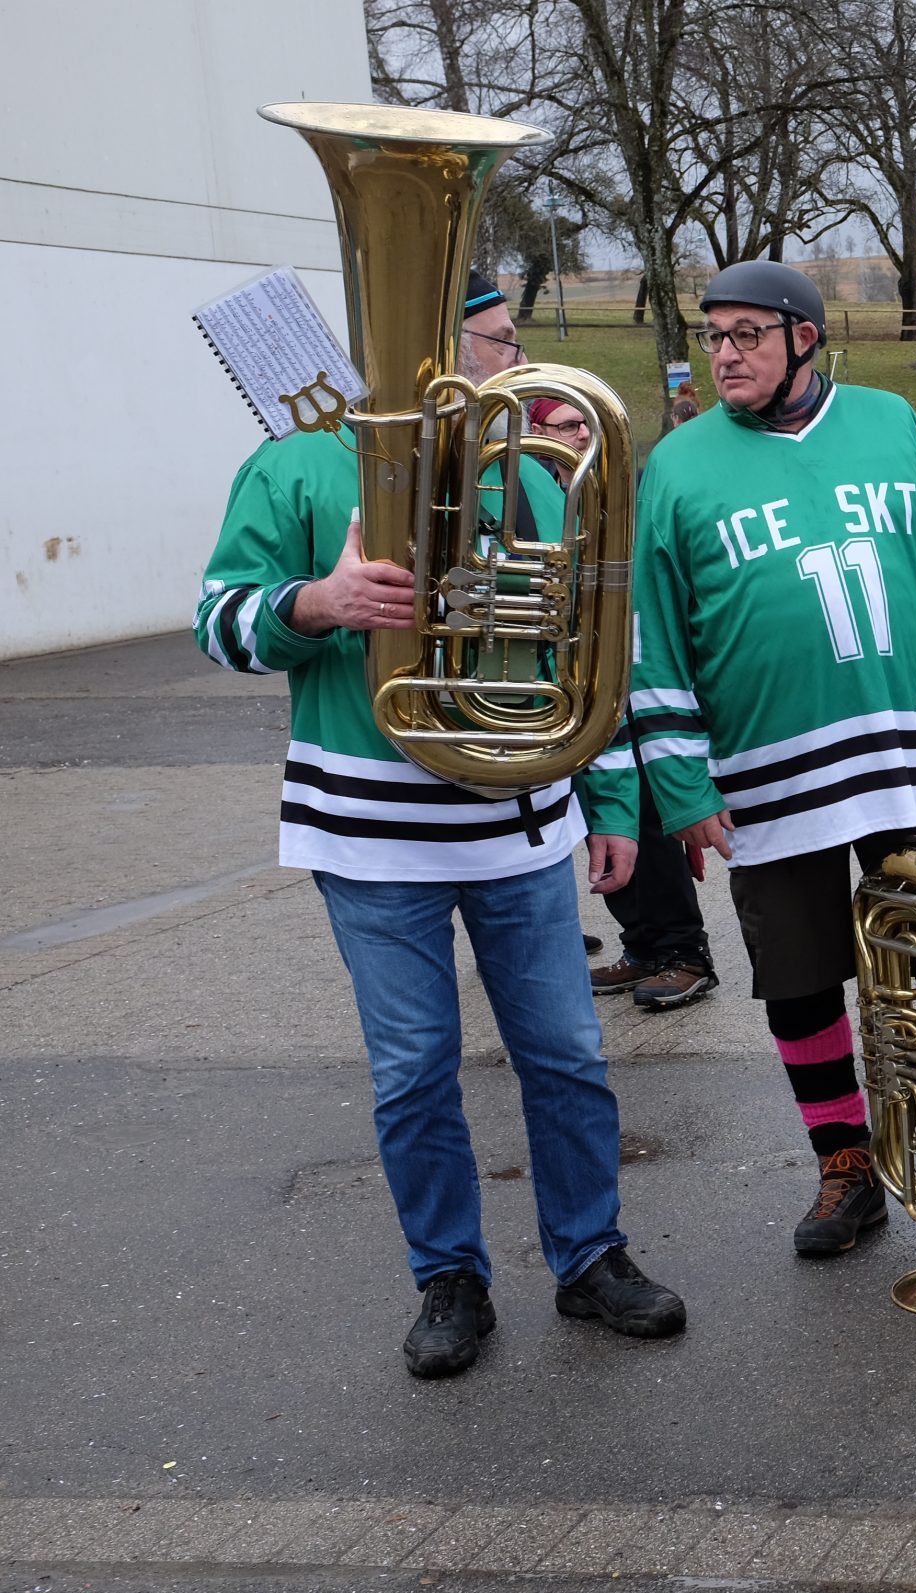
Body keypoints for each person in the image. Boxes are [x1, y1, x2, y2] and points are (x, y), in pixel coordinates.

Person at [192, 270, 685, 1379]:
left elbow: (592, 651)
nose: (516, 362)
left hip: (519, 822)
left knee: (566, 1054)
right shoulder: (297, 464)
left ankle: (590, 1256)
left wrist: (610, 800)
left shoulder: (539, 473)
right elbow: (216, 621)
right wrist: (317, 604)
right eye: (498, 343)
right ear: (430, 345)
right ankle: (449, 1277)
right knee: (414, 1071)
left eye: (512, 341)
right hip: (370, 834)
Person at [620, 259, 916, 1259]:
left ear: (804, 338)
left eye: (747, 334)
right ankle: (846, 1164)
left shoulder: (892, 423)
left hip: (911, 753)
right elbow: (656, 641)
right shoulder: (678, 466)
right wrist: (680, 784)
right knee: (800, 980)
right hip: (766, 776)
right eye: (714, 336)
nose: (725, 354)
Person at [526, 398, 723, 1013]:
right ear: (535, 433)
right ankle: (642, 946)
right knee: (604, 821)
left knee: (645, 818)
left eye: (583, 424)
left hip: (634, 677)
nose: (579, 434)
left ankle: (685, 954)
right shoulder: (536, 495)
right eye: (565, 426)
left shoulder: (620, 492)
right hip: (577, 684)